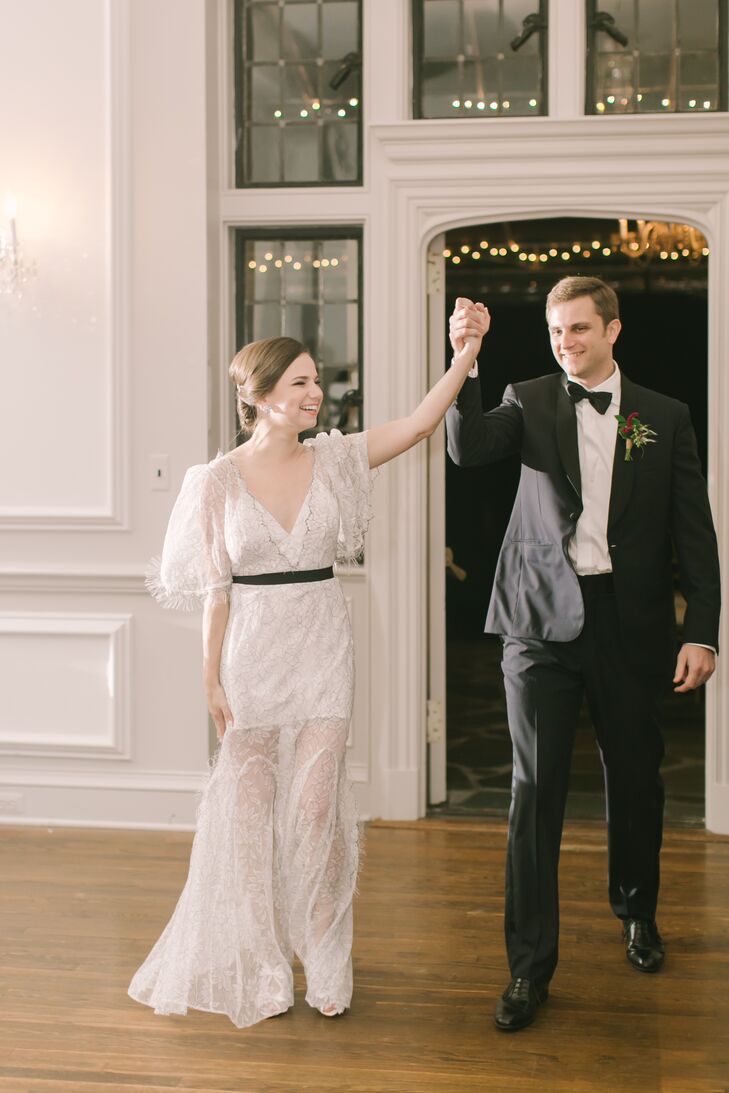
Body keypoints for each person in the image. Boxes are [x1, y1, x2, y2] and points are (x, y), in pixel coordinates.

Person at [128, 327, 487, 1028]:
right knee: (253, 817)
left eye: (315, 380)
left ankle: (325, 959)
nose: (315, 393)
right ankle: (265, 968)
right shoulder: (214, 481)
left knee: (318, 809)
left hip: (323, 645)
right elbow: (214, 590)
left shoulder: (336, 458)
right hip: (251, 654)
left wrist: (464, 358)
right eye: (299, 382)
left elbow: (416, 424)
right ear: (258, 397)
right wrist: (210, 679)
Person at [446, 277, 720, 1032]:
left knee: (636, 778)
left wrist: (700, 627)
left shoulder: (663, 417)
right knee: (534, 793)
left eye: (577, 329)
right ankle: (527, 968)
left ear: (612, 330)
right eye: (554, 330)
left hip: (627, 624)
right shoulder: (527, 396)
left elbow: (694, 532)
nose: (564, 342)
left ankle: (636, 911)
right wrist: (465, 358)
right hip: (537, 625)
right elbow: (467, 448)